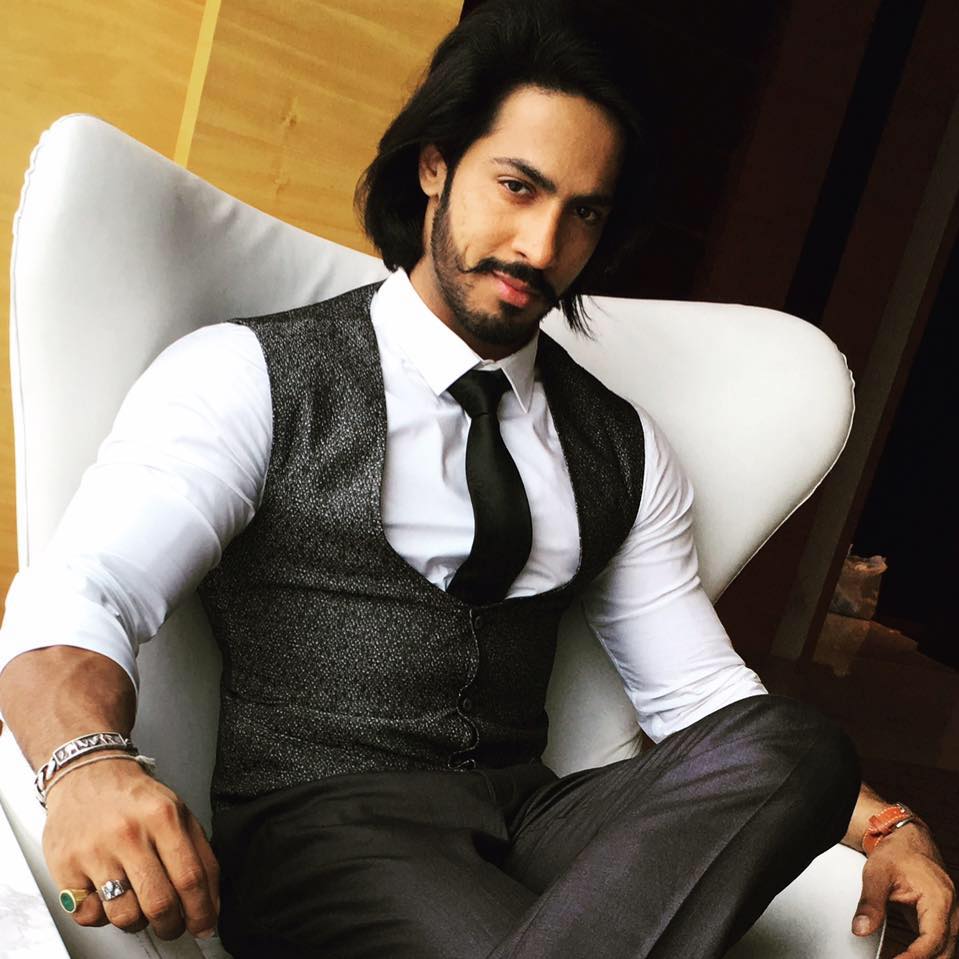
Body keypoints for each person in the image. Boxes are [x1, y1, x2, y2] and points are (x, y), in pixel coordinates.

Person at [0, 2, 956, 957]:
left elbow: (699, 696)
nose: (540, 246)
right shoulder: (252, 376)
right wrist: (83, 763)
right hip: (331, 829)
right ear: (434, 165)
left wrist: (888, 825)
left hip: (533, 821)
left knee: (796, 744)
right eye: (516, 186)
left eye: (582, 213)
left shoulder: (620, 446)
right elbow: (84, 590)